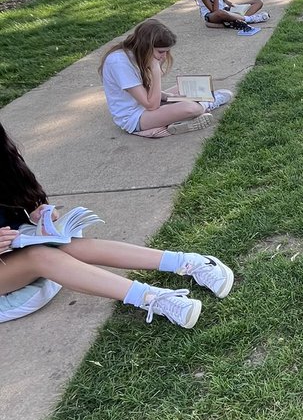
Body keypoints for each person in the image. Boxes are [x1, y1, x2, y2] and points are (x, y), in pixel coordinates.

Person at [0, 122, 232, 327]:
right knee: (40, 256)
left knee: (63, 244)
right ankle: (152, 298)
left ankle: (190, 262)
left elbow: (21, 205)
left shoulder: (5, 160)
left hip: (13, 247)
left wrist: (38, 212)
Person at [100, 19, 233, 139]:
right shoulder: (119, 62)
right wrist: (155, 70)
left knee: (192, 87)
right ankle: (207, 104)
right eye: (161, 52)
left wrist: (167, 96)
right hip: (135, 117)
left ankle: (175, 121)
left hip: (145, 104)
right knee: (192, 108)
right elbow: (152, 105)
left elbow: (145, 90)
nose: (164, 56)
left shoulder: (137, 54)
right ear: (145, 46)